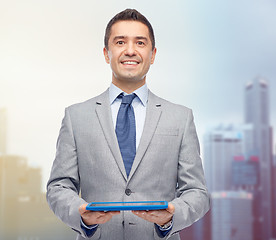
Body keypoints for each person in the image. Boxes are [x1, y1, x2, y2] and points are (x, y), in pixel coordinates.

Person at [46, 8, 210, 240]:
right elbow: (59, 186)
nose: (130, 51)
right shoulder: (76, 117)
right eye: (120, 42)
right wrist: (80, 214)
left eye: (140, 43)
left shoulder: (181, 118)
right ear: (106, 53)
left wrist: (172, 216)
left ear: (152, 55)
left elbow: (197, 192)